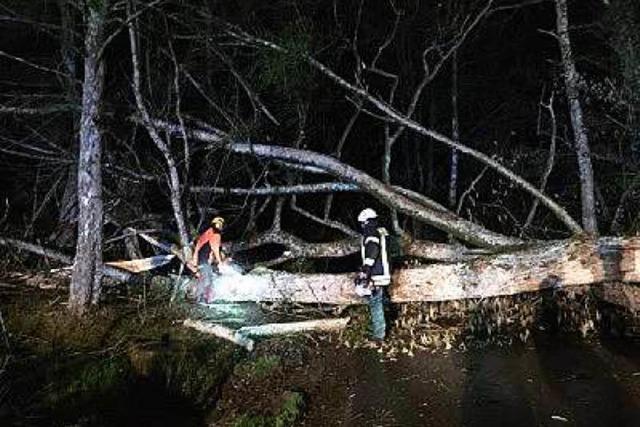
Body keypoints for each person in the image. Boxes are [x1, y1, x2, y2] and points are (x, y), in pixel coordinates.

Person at [355, 208, 391, 341]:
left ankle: (378, 335)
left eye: (362, 223)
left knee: (375, 304)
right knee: (383, 301)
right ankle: (387, 325)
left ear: (366, 222)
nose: (362, 226)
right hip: (385, 272)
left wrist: (366, 270)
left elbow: (373, 249)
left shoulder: (370, 233)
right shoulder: (382, 231)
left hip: (376, 275)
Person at [191, 216, 225, 303]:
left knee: (203, 280)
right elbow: (215, 249)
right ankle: (205, 300)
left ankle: (199, 299)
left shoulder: (207, 233)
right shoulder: (215, 234)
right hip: (203, 260)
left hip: (200, 260)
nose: (219, 226)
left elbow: (198, 248)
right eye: (218, 224)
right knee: (207, 281)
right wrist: (221, 263)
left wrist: (195, 264)